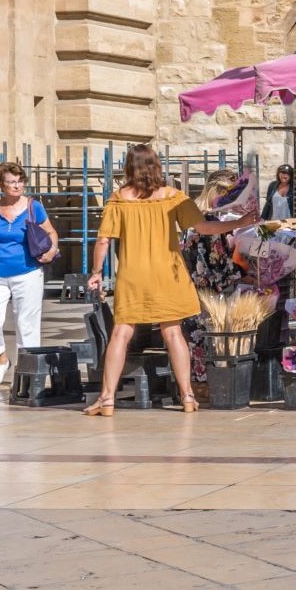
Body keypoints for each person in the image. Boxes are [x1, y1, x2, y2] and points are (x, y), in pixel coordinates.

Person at [84, 145, 235, 416]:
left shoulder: (118, 199)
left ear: (129, 168)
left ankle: (106, 399)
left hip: (133, 276)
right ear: (157, 166)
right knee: (173, 332)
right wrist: (239, 222)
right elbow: (203, 228)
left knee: (121, 333)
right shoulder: (173, 197)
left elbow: (103, 240)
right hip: (169, 274)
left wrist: (96, 272)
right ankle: (188, 397)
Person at [0, 161, 59, 388]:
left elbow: (51, 232)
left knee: (27, 324)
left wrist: (51, 252)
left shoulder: (34, 206)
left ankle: (27, 374)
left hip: (27, 273)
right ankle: (2, 360)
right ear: (1, 184)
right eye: (11, 182)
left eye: (20, 181)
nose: (17, 185)